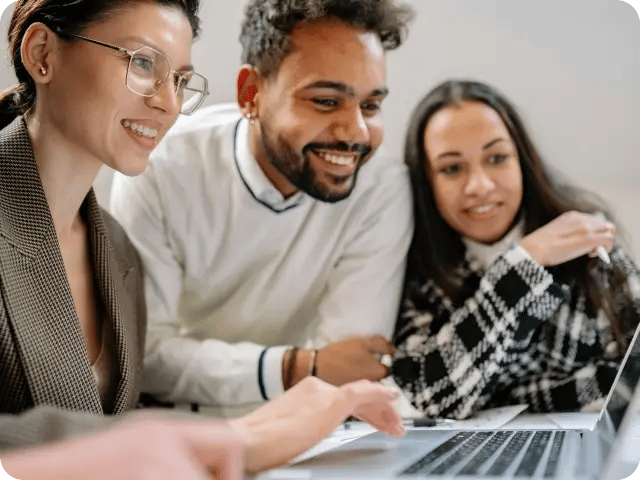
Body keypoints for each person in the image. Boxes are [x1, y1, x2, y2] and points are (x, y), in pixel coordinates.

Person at [0, 0, 404, 474]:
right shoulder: (165, 178)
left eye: (180, 80)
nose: (169, 103)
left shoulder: (117, 253)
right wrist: (227, 440)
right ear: (42, 53)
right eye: (142, 63)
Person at [109, 0, 415, 415]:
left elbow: (347, 368)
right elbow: (144, 357)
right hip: (183, 427)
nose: (356, 132)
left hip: (314, 425)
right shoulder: (160, 167)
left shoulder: (382, 188)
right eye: (325, 101)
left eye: (371, 105)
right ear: (251, 94)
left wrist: (312, 371)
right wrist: (298, 367)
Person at [392, 80, 640, 420]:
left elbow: (630, 378)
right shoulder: (415, 269)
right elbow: (428, 397)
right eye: (452, 168)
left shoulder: (585, 239)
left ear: (521, 159)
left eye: (496, 158)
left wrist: (500, 395)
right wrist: (523, 264)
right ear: (427, 182)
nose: (479, 185)